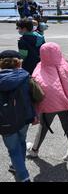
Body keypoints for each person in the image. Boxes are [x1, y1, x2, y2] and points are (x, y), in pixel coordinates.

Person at [26, 43, 68, 160]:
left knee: (43, 127)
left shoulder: (40, 66)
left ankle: (34, 150)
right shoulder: (65, 66)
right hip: (65, 103)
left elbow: (35, 85)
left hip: (48, 104)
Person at [0, 50, 41, 182]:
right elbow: (38, 96)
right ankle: (17, 165)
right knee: (21, 142)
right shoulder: (26, 77)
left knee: (13, 149)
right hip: (25, 117)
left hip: (5, 121)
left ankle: (23, 176)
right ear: (18, 63)